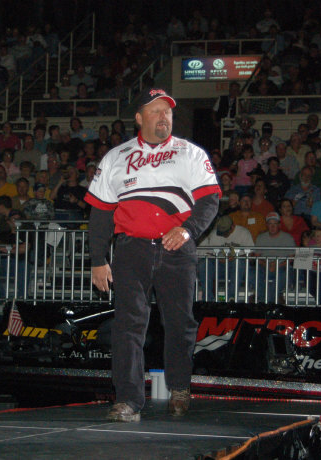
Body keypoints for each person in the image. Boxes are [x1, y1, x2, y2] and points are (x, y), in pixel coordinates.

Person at [85, 89, 220, 422]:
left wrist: (188, 230)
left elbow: (209, 200)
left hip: (177, 249)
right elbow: (100, 213)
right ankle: (128, 400)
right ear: (139, 118)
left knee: (180, 323)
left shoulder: (190, 153)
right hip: (131, 249)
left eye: (167, 111)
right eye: (156, 111)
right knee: (127, 325)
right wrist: (98, 259)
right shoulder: (116, 157)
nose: (163, 117)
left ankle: (180, 387)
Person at [254, 212, 296, 303]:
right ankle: (264, 298)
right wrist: (266, 264)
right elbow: (257, 258)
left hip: (282, 266)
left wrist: (277, 265)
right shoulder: (261, 237)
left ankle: (267, 301)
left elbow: (291, 258)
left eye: (275, 224)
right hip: (264, 266)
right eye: (270, 224)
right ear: (267, 225)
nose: (272, 226)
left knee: (286, 272)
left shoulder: (288, 237)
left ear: (279, 225)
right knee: (253, 272)